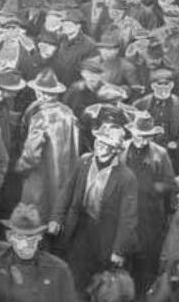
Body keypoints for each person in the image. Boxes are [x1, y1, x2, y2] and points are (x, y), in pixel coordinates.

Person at [50, 121, 138, 297]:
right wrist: (56, 217)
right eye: (98, 140)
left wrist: (119, 250)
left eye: (106, 143)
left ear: (115, 150)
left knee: (99, 283)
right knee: (75, 276)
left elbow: (128, 217)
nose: (99, 145)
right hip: (78, 229)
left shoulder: (126, 177)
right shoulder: (83, 162)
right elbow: (66, 191)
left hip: (104, 235)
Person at [0, 202, 78, 302]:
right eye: (19, 237)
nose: (25, 244)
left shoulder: (59, 270)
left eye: (30, 238)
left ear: (39, 237)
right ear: (10, 237)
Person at [124, 111, 175, 295]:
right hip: (125, 214)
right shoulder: (121, 150)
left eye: (148, 137)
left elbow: (171, 183)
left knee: (146, 261)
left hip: (150, 215)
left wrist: (152, 188)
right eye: (140, 136)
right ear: (132, 133)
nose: (143, 141)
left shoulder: (160, 154)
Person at [16, 68, 78, 221]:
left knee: (36, 213)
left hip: (41, 174)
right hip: (66, 173)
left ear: (39, 92)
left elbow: (31, 154)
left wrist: (20, 167)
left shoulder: (40, 117)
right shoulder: (68, 112)